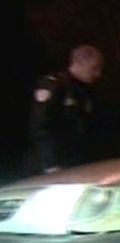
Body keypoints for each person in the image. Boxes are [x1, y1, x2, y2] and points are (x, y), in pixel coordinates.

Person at [29, 44, 104, 174]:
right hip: (57, 164)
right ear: (81, 63)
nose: (98, 74)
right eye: (94, 68)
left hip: (79, 161)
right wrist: (51, 163)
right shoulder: (56, 86)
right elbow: (41, 126)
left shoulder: (86, 91)